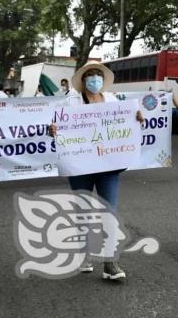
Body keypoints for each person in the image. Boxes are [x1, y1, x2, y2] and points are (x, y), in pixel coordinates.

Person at [48, 61, 144, 281]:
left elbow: (126, 125)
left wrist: (137, 119)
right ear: (82, 80)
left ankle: (110, 262)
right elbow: (55, 128)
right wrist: (51, 129)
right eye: (89, 76)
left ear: (103, 80)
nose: (94, 79)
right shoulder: (69, 102)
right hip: (79, 166)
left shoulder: (112, 100)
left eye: (97, 75)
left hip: (108, 165)